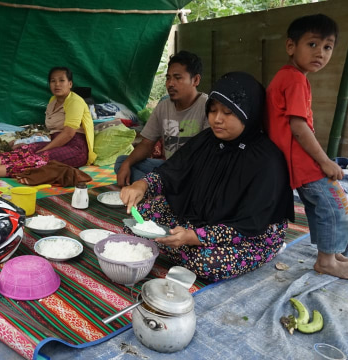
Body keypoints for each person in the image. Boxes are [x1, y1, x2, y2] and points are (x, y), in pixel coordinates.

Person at [120, 72, 294, 282]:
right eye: (212, 111)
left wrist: (195, 237)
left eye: (228, 112)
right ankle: (178, 244)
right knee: (136, 220)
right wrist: (142, 185)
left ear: (248, 112)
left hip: (247, 235)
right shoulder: (207, 141)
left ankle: (180, 245)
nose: (217, 119)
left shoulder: (266, 160)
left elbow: (251, 224)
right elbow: (173, 171)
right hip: (200, 217)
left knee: (206, 262)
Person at [265, 14, 348, 279]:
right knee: (337, 205)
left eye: (327, 47)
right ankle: (326, 260)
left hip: (292, 162)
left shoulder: (287, 76)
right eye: (312, 44)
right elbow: (299, 128)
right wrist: (325, 161)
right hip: (304, 163)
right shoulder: (295, 80)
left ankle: (332, 253)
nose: (320, 53)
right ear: (291, 46)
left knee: (320, 207)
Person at [0, 67, 96, 179]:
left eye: (62, 80)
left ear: (70, 84)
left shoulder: (75, 101)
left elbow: (68, 134)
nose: (57, 84)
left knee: (39, 158)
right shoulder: (52, 101)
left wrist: (46, 148)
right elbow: (53, 132)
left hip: (76, 149)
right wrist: (38, 143)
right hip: (58, 142)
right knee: (26, 149)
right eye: (53, 81)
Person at [115, 51, 208, 187]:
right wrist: (127, 164)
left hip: (194, 172)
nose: (170, 83)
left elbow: (208, 155)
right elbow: (147, 144)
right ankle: (163, 190)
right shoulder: (164, 106)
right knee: (122, 163)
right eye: (168, 78)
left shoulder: (207, 106)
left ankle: (158, 189)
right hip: (169, 169)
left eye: (177, 78)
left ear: (196, 80)